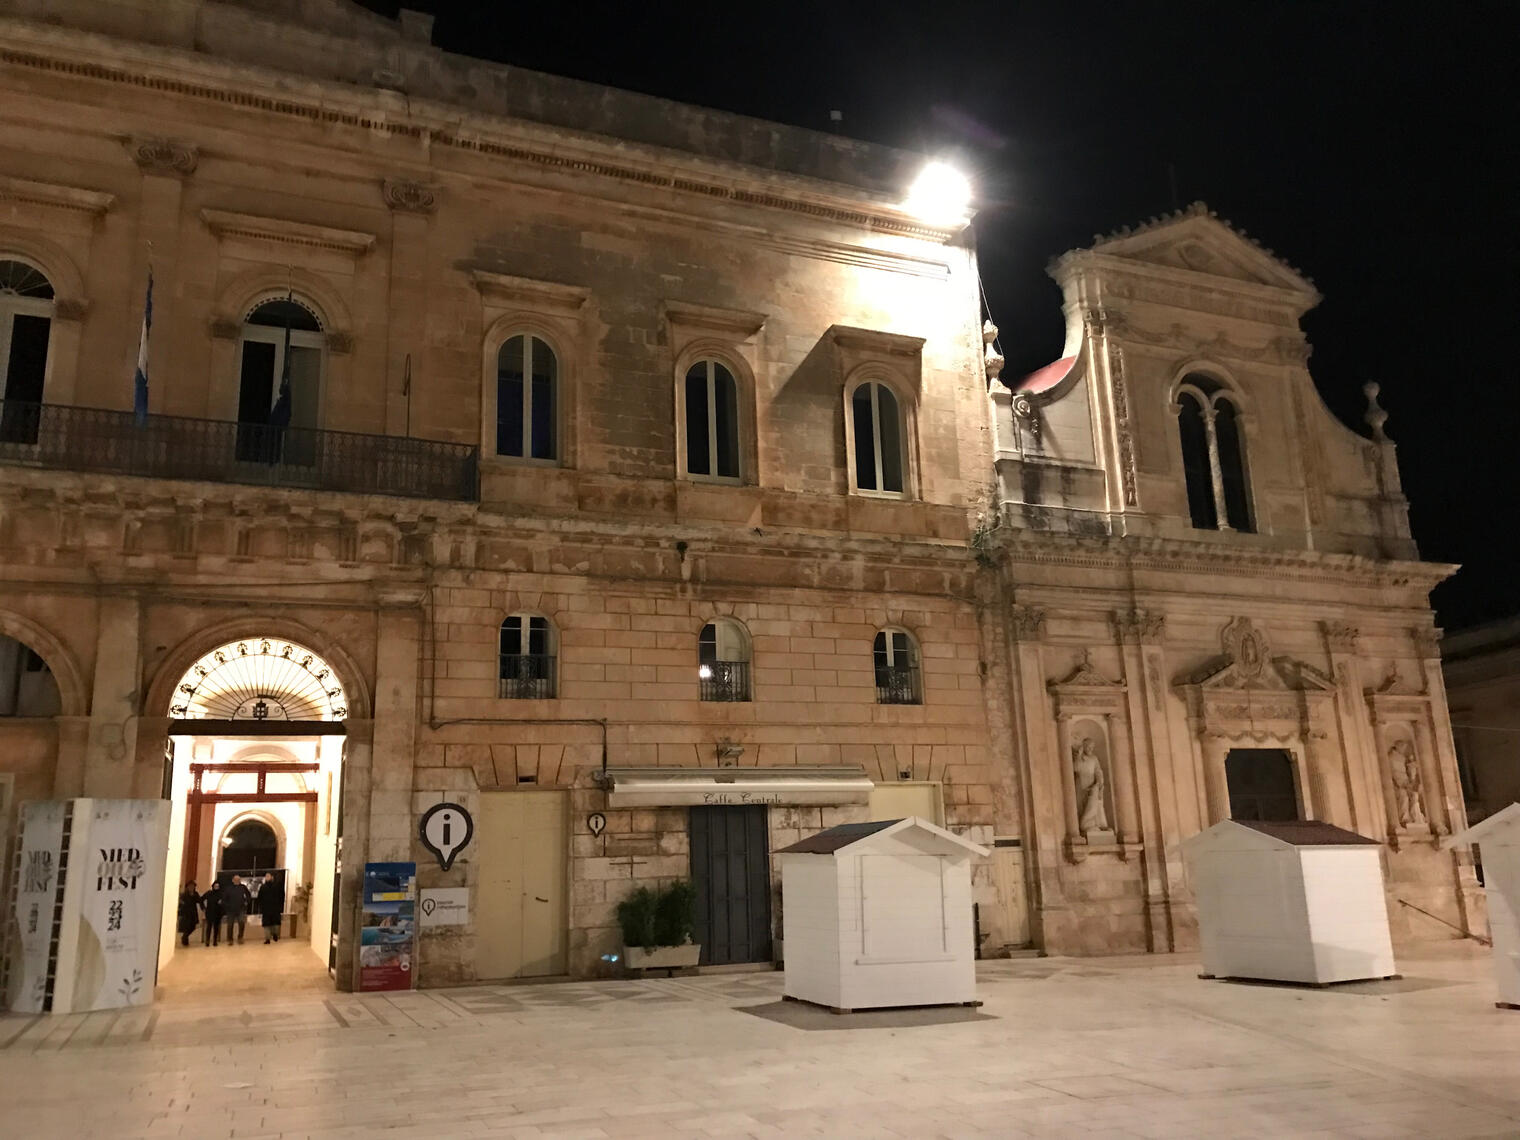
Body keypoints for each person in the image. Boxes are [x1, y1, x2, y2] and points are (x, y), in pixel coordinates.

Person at [223, 874, 251, 945]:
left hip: (241, 909)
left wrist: (246, 902)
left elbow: (248, 896)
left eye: (238, 880)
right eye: (235, 880)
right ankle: (230, 939)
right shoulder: (228, 888)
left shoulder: (243, 887)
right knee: (230, 925)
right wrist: (227, 906)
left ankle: (240, 937)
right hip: (230, 910)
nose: (237, 881)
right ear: (232, 880)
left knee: (241, 922)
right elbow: (224, 899)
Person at [258, 872, 286, 944]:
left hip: (270, 909)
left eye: (268, 876)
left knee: (270, 924)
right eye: (266, 876)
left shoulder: (265, 887)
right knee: (271, 923)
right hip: (271, 909)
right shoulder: (275, 886)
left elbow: (260, 898)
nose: (267, 877)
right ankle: (271, 936)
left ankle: (271, 936)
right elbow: (282, 896)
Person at [200, 880, 224, 946]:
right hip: (209, 912)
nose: (216, 887)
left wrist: (221, 904)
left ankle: (215, 941)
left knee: (216, 928)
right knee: (209, 927)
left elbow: (224, 903)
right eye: (215, 886)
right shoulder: (209, 893)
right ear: (213, 886)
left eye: (218, 886)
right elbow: (201, 900)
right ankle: (207, 941)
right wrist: (203, 908)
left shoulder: (221, 894)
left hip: (218, 913)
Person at [177, 880, 199, 947]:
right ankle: (185, 940)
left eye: (193, 886)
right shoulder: (184, 894)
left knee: (193, 927)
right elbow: (180, 902)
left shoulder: (195, 894)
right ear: (187, 887)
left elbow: (199, 900)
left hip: (193, 913)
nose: (192, 887)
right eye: (190, 886)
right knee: (187, 927)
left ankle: (184, 937)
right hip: (186, 913)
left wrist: (203, 908)